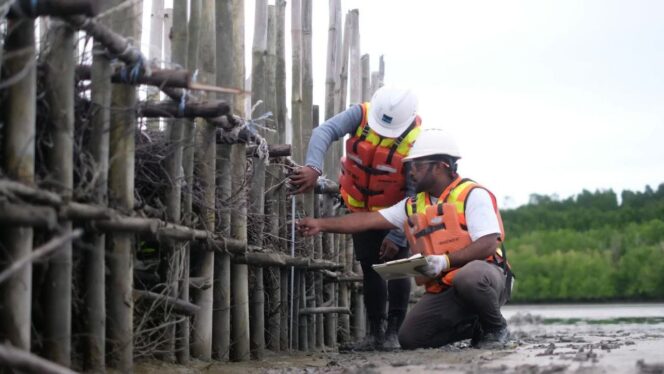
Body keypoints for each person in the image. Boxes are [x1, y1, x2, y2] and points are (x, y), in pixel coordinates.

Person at [296, 128, 513, 350]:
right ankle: (478, 327)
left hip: (486, 278)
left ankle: (497, 328)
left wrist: (444, 261)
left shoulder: (472, 194)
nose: (410, 172)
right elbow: (367, 220)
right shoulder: (413, 204)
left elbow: (489, 242)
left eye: (417, 166)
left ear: (440, 166)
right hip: (448, 289)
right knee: (411, 338)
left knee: (469, 277)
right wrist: (320, 224)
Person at [290, 87, 421, 350]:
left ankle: (394, 334)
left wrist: (398, 233)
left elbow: (415, 191)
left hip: (396, 213)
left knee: (398, 267)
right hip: (361, 209)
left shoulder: (418, 140)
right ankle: (376, 333)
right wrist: (314, 166)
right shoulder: (360, 114)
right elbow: (323, 132)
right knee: (370, 269)